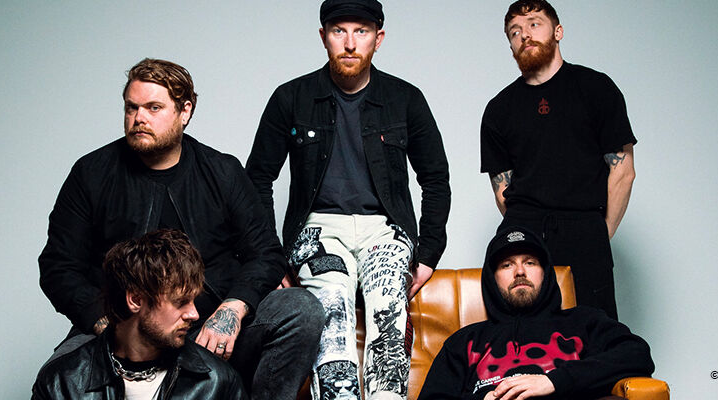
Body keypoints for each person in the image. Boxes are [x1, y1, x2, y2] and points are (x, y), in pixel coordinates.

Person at [39, 58, 322, 398]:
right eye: (131, 107)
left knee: (300, 309)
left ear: (185, 111)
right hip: (122, 329)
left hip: (207, 326)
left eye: (153, 108)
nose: (139, 118)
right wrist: (103, 322)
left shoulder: (223, 172)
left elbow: (265, 253)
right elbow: (58, 266)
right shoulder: (91, 173)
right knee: (59, 375)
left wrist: (233, 308)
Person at [245, 0, 450, 398]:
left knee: (388, 315)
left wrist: (428, 254)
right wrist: (272, 258)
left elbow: (436, 179)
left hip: (386, 231)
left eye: (362, 31)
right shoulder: (291, 97)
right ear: (324, 37)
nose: (350, 43)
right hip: (318, 230)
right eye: (339, 31)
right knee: (332, 314)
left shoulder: (406, 98)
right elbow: (257, 179)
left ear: (378, 38)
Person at [481, 0, 637, 320]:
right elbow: (502, 189)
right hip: (524, 232)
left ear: (558, 31)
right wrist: (525, 235)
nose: (525, 34)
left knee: (595, 330)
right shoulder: (499, 109)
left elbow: (623, 173)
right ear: (510, 45)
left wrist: (599, 234)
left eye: (534, 24)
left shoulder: (596, 89)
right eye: (515, 31)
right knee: (517, 331)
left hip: (584, 226)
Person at [416, 226, 654, 400]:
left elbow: (636, 354)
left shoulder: (583, 322)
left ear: (545, 272)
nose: (520, 271)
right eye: (507, 265)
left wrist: (554, 381)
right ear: (492, 278)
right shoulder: (465, 341)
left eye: (530, 262)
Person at [34, 230, 246, 399]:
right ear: (135, 300)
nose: (194, 314)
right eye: (180, 302)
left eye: (193, 301)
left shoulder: (217, 382)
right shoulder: (62, 383)